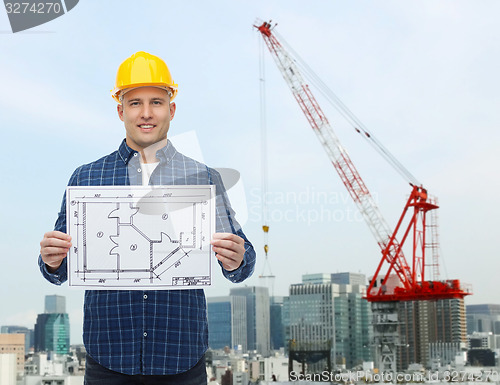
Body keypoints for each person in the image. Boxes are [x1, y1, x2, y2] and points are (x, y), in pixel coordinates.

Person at [38, 51, 256, 384]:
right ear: (120, 110)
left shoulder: (202, 178)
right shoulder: (87, 178)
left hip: (180, 359)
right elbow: (59, 268)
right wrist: (52, 260)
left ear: (171, 108)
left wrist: (237, 258)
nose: (146, 113)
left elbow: (244, 265)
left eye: (156, 101)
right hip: (108, 359)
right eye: (135, 102)